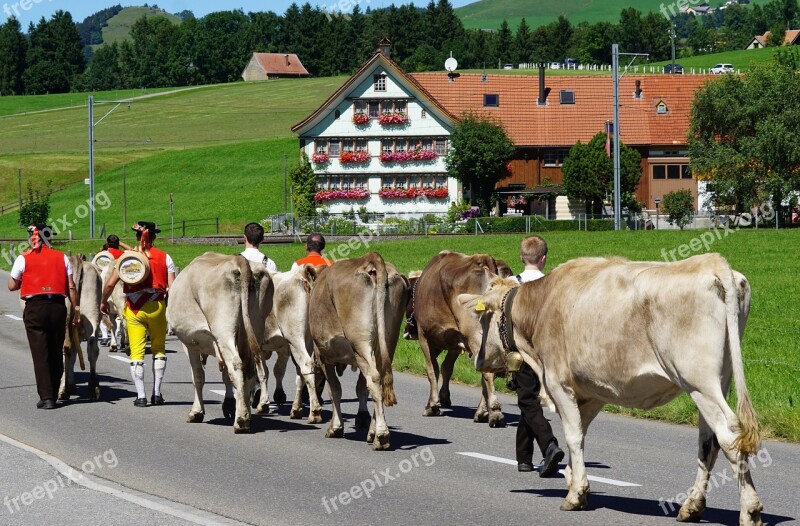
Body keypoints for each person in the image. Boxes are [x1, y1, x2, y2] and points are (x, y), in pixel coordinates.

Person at [101, 222, 176, 407]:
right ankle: (157, 394)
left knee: (137, 352)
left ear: (137, 237)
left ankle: (141, 396)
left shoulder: (127, 259)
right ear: (154, 237)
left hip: (134, 308)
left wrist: (103, 301)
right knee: (159, 349)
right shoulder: (165, 257)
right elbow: (173, 288)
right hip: (157, 306)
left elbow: (110, 284)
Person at [7, 225, 80, 410]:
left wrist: (28, 278)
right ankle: (54, 392)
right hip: (57, 306)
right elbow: (71, 286)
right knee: (56, 350)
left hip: (35, 307)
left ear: (33, 238)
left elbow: (11, 285)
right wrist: (76, 308)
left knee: (40, 353)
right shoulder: (62, 257)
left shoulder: (24, 258)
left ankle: (47, 397)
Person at [513, 235, 565, 477]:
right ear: (543, 259)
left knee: (526, 400)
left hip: (521, 352)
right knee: (529, 398)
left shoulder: (511, 284)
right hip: (548, 351)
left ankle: (549, 444)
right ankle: (524, 458)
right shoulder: (553, 285)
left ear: (522, 257)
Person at [98, 234, 131, 346]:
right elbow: (131, 250)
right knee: (123, 311)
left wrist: (102, 250)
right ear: (118, 244)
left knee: (109, 314)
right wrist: (120, 243)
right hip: (122, 283)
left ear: (107, 243)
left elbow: (96, 266)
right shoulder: (122, 255)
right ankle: (124, 337)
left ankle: (109, 338)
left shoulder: (103, 255)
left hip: (106, 284)